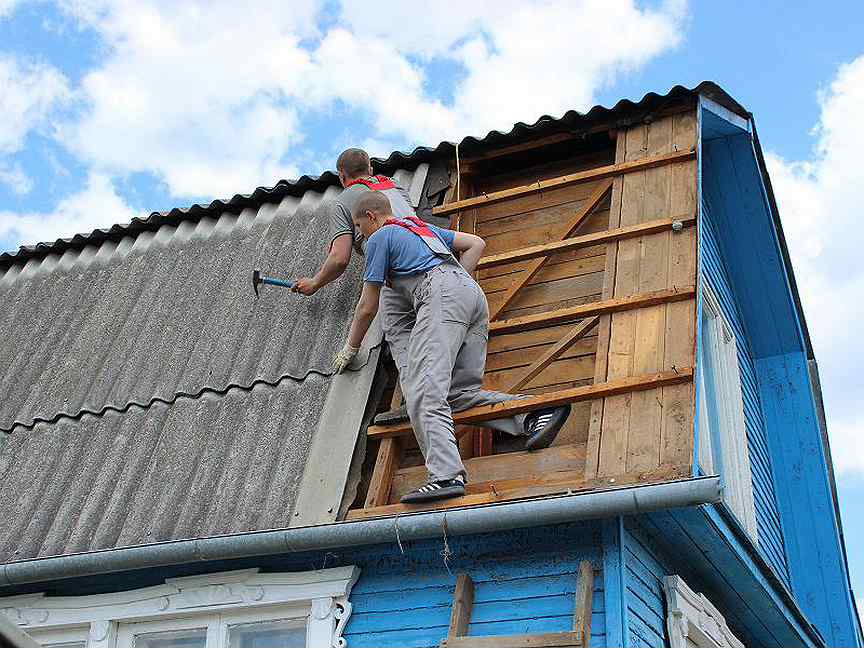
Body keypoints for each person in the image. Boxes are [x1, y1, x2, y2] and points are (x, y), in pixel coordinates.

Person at [333, 191, 571, 504]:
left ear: (372, 217)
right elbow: (476, 243)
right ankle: (534, 413)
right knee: (458, 395)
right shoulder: (422, 230)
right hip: (470, 294)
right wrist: (457, 285)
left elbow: (367, 305)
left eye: (359, 228)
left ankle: (445, 475)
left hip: (441, 292)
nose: (360, 237)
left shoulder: (381, 237)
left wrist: (350, 348)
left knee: (424, 389)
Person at [293, 148, 414, 296]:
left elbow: (339, 258)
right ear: (370, 170)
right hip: (424, 250)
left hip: (395, 267)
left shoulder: (341, 202)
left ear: (342, 176)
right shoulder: (395, 185)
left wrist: (314, 282)